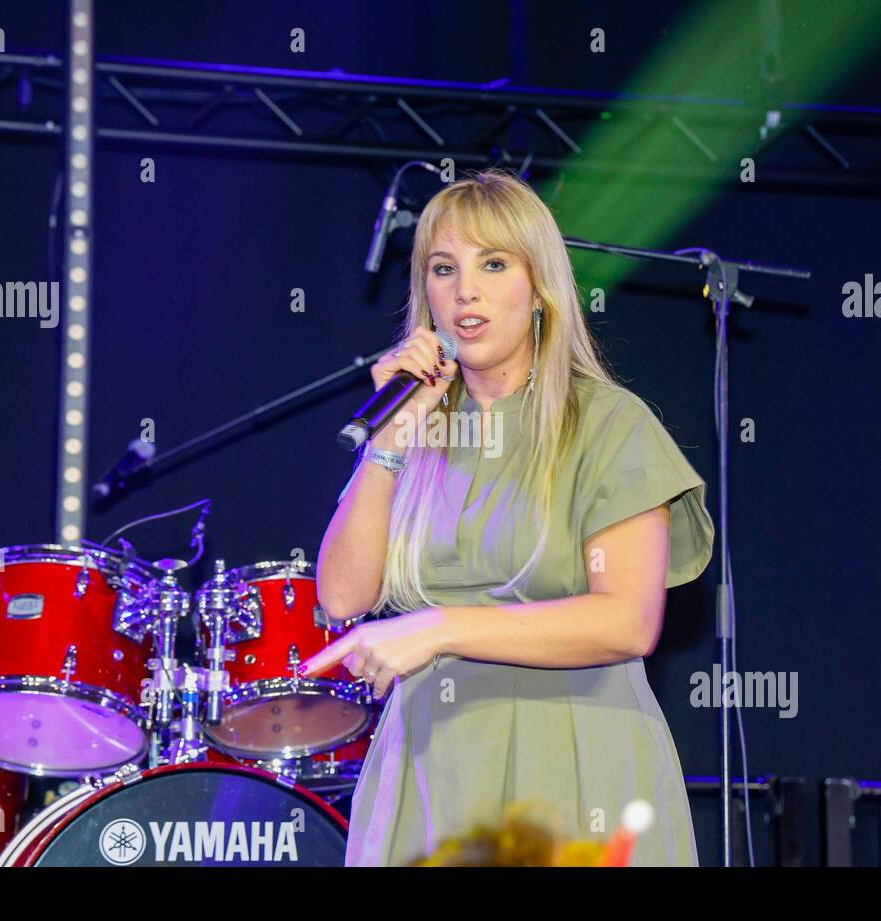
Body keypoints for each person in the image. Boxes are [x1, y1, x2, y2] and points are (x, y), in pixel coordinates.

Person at [302, 168, 714, 866]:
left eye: (493, 264)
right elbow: (342, 597)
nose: (466, 289)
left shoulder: (608, 424)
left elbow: (629, 622)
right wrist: (389, 443)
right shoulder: (419, 428)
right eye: (443, 267)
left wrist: (441, 626)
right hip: (433, 767)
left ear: (540, 288)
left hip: (575, 759)